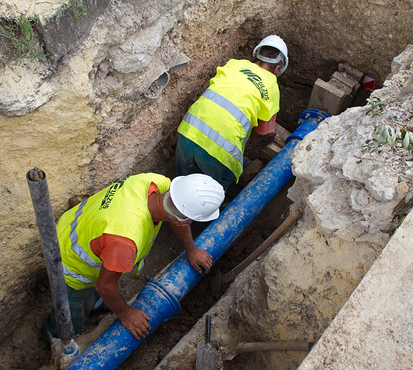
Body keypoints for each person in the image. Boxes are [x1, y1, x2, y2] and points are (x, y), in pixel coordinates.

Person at [43, 172, 224, 341]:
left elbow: (177, 212)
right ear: (185, 220)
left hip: (74, 228)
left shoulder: (156, 183)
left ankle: (95, 303)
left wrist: (191, 249)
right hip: (69, 264)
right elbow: (105, 286)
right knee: (71, 312)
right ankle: (53, 337)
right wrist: (126, 314)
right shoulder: (126, 240)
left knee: (98, 291)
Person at [176, 35, 289, 190]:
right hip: (220, 152)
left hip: (188, 132)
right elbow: (261, 134)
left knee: (183, 187)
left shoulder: (232, 64)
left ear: (256, 56)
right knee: (209, 196)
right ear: (277, 69)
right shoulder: (271, 86)